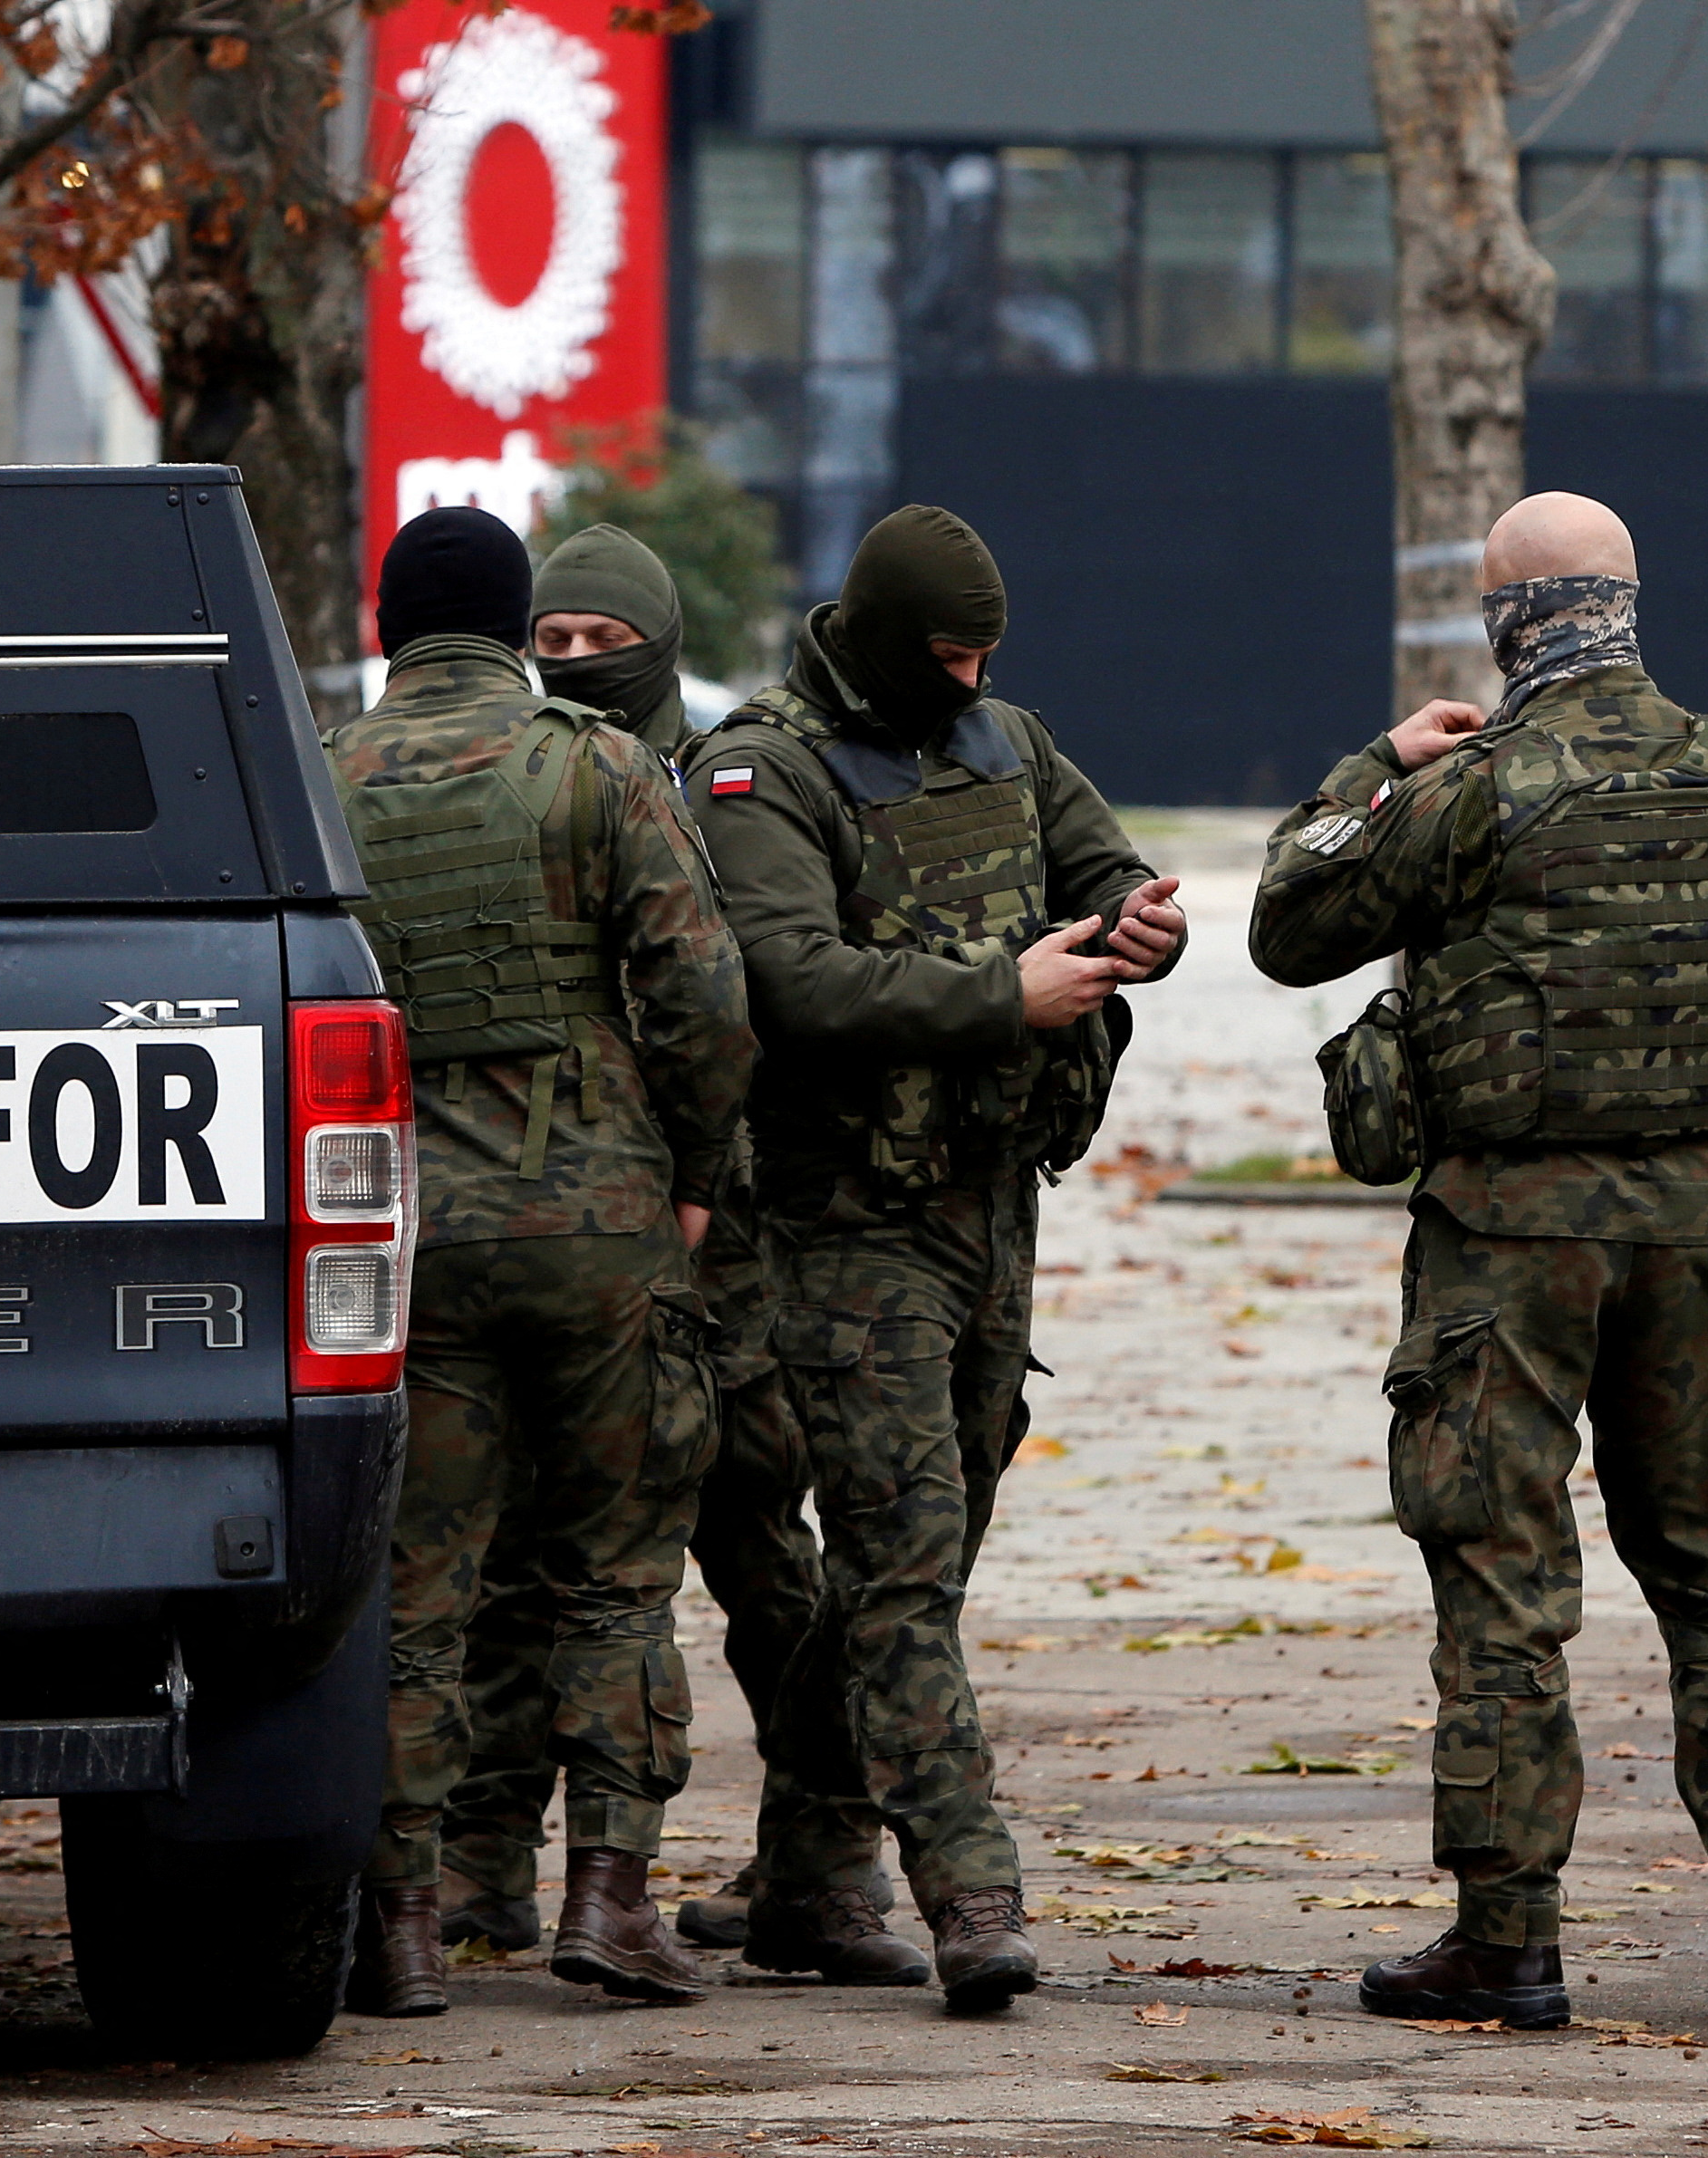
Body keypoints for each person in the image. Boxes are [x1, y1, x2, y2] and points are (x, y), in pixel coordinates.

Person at [1249, 492, 1708, 2033]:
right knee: (1704, 1564)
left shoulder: (1476, 788)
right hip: (1687, 1236)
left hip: (1510, 1246)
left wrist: (1382, 763)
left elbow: (1287, 921)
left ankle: (1510, 1939)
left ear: (1507, 623)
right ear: (1629, 604)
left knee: (1505, 1576)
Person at [692, 504, 1187, 2011]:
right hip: (846, 1226)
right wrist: (1001, 995)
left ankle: (802, 1878)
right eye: (950, 656)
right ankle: (973, 1890)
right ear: (888, 636)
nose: (971, 679)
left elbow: (1106, 868)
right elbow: (789, 978)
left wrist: (1135, 925)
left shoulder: (1010, 741)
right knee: (905, 1561)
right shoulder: (759, 768)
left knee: (912, 1555)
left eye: (989, 656)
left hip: (990, 1210)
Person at [433, 525, 916, 1987]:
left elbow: (766, 1000)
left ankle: (823, 1865)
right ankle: (482, 1862)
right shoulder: (524, 782)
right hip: (576, 1244)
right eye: (555, 637)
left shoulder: (736, 789)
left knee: (772, 1570)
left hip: (730, 1253)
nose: (579, 662)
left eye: (604, 638)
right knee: (524, 1565)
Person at [327, 506, 752, 2016]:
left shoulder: (321, 781)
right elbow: (703, 993)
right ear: (517, 628)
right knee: (618, 1570)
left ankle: (403, 1922)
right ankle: (612, 1898)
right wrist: (695, 1178)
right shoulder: (598, 761)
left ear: (389, 627)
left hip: (402, 1236)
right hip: (599, 1228)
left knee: (414, 1582)